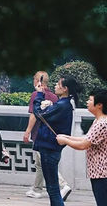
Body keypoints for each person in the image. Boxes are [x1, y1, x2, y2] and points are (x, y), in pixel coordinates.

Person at [33, 75, 81, 206]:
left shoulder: (62, 105)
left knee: (53, 189)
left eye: (58, 84)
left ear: (65, 89)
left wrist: (39, 95)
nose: (55, 86)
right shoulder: (64, 104)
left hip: (49, 148)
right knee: (52, 188)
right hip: (51, 148)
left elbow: (38, 114)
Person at [23, 71, 71, 200]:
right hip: (52, 138)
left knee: (46, 164)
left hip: (41, 135)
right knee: (40, 164)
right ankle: (37, 189)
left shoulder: (36, 95)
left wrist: (27, 131)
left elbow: (35, 114)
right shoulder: (54, 96)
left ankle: (63, 185)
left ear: (37, 81)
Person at [56, 88, 107, 206]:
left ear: (99, 105)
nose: (87, 102)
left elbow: (83, 145)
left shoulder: (102, 124)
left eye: (90, 100)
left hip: (102, 173)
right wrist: (67, 137)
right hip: (98, 172)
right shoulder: (98, 121)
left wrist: (65, 141)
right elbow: (87, 139)